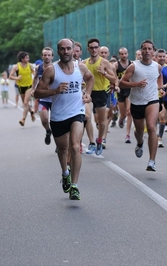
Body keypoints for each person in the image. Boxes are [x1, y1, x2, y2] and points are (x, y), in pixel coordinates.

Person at [34, 38, 94, 200]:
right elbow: (37, 93)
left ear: (74, 50)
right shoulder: (51, 70)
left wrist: (87, 93)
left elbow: (90, 78)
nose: (66, 51)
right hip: (59, 116)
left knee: (75, 147)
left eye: (69, 48)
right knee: (62, 149)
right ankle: (65, 173)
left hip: (77, 112)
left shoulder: (80, 67)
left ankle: (74, 186)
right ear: (58, 51)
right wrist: (55, 91)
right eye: (62, 49)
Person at [120, 39, 164, 172]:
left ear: (153, 51)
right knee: (139, 131)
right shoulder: (134, 66)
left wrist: (160, 88)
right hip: (137, 102)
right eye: (144, 48)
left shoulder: (157, 66)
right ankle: (140, 143)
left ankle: (152, 161)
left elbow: (159, 77)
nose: (147, 51)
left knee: (151, 127)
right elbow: (121, 83)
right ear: (141, 51)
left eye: (149, 49)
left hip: (152, 100)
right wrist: (136, 84)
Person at [84, 38, 117, 155]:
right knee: (86, 117)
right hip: (88, 92)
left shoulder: (104, 62)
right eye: (91, 47)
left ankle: (99, 140)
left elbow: (114, 79)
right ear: (88, 49)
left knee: (102, 121)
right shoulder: (84, 63)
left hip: (101, 92)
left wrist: (104, 73)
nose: (94, 49)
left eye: (96, 47)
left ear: (99, 48)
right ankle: (91, 142)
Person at [32, 47, 54, 145]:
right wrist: (33, 89)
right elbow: (35, 79)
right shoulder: (38, 68)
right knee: (44, 119)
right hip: (44, 98)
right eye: (45, 55)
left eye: (49, 55)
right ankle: (48, 131)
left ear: (52, 56)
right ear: (42, 56)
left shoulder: (56, 67)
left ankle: (59, 144)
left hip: (54, 98)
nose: (47, 57)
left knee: (57, 122)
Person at [10, 51, 36, 126]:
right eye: (27, 57)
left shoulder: (30, 65)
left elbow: (35, 74)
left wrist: (34, 75)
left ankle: (23, 119)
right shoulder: (17, 67)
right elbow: (10, 76)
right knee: (26, 104)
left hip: (29, 86)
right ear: (22, 59)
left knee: (25, 103)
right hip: (21, 87)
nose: (28, 59)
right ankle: (31, 112)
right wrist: (16, 77)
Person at [114, 47, 133, 143]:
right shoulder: (116, 65)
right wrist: (116, 85)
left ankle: (128, 135)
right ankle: (121, 119)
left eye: (125, 53)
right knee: (124, 114)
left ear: (128, 54)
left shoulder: (132, 64)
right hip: (120, 90)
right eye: (122, 54)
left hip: (130, 90)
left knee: (129, 112)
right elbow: (114, 77)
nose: (124, 55)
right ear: (119, 55)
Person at [155, 49, 167, 148]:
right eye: (160, 56)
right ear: (155, 57)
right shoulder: (152, 67)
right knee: (153, 119)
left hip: (164, 96)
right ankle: (153, 136)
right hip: (152, 96)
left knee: (162, 117)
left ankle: (160, 138)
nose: (162, 58)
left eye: (163, 56)